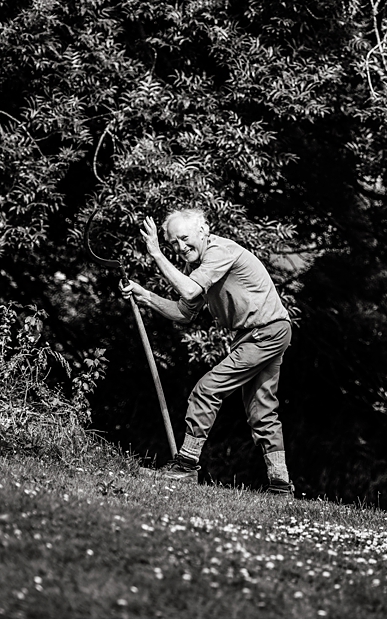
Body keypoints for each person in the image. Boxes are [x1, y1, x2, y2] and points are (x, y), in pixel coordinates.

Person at [119, 208, 295, 496]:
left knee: (207, 389)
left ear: (202, 231)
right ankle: (280, 485)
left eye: (184, 238)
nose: (180, 247)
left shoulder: (219, 251)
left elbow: (188, 292)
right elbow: (182, 311)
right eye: (173, 243)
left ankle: (186, 465)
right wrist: (144, 295)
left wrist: (156, 254)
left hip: (265, 331)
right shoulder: (198, 266)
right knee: (261, 410)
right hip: (260, 333)